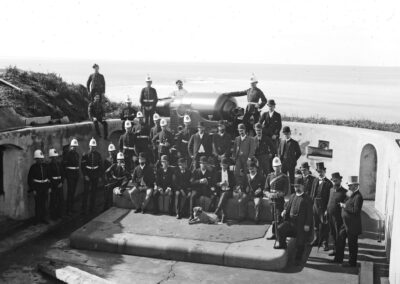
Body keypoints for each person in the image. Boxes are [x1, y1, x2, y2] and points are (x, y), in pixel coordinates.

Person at [275, 174, 313, 266]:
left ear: (303, 187)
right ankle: (282, 244)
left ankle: (298, 259)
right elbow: (287, 206)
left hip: (301, 224)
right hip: (291, 223)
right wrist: (284, 211)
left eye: (298, 186)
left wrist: (307, 224)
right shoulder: (292, 196)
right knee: (280, 228)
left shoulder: (307, 198)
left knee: (300, 242)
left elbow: (309, 214)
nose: (296, 188)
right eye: (295, 186)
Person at [335, 176, 364, 267]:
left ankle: (352, 263)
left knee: (352, 245)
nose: (348, 187)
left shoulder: (358, 197)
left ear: (355, 186)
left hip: (352, 225)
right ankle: (338, 259)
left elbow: (356, 211)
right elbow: (344, 199)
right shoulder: (350, 193)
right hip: (345, 223)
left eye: (350, 185)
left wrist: (344, 206)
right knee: (340, 240)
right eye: (348, 185)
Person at [265, 157, 290, 240]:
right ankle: (274, 233)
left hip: (279, 200)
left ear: (281, 166)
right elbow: (265, 189)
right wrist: (268, 194)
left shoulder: (284, 177)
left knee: (279, 218)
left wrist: (278, 194)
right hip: (271, 200)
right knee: (273, 218)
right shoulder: (269, 176)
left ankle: (280, 235)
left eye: (278, 166)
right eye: (275, 167)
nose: (277, 168)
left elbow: (285, 191)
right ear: (273, 167)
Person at [310, 162, 333, 250]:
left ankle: (324, 242)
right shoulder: (315, 180)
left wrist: (327, 209)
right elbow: (312, 193)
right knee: (315, 223)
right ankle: (316, 239)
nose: (320, 173)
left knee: (324, 224)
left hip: (323, 206)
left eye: (321, 171)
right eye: (318, 171)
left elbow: (330, 198)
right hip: (315, 204)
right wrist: (311, 205)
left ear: (325, 171)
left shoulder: (329, 183)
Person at [327, 172, 347, 258]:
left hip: (339, 218)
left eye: (336, 180)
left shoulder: (346, 192)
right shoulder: (331, 190)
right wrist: (326, 211)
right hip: (330, 216)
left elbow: (347, 204)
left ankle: (339, 255)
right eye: (333, 181)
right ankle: (335, 250)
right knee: (333, 234)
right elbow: (329, 202)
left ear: (340, 180)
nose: (335, 182)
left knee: (339, 236)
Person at [81, 138, 103, 214]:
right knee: (86, 192)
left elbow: (100, 166)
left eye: (94, 146)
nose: (93, 148)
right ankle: (84, 208)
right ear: (89, 146)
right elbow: (82, 166)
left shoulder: (98, 155)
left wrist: (99, 176)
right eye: (91, 146)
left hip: (95, 174)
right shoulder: (85, 155)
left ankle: (92, 208)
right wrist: (85, 175)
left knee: (94, 192)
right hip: (88, 174)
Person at [28, 150, 50, 224]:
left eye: (41, 159)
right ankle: (37, 219)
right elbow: (30, 179)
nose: (41, 160)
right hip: (37, 188)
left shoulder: (45, 166)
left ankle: (43, 218)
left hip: (44, 187)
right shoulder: (33, 167)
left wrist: (49, 187)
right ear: (36, 159)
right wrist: (33, 189)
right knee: (38, 204)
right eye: (39, 159)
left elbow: (48, 177)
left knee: (44, 204)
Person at [189, 156, 215, 221]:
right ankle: (191, 215)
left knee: (214, 196)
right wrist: (199, 181)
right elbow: (192, 182)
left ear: (207, 164)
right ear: (200, 164)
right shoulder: (195, 171)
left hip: (206, 189)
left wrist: (207, 182)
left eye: (205, 163)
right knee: (192, 196)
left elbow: (212, 183)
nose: (203, 165)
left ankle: (210, 215)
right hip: (197, 189)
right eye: (202, 163)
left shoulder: (210, 172)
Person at [278, 126, 301, 193]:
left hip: (291, 164)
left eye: (287, 133)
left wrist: (294, 160)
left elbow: (299, 153)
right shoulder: (282, 142)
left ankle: (292, 192)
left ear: (290, 133)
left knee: (291, 179)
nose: (286, 135)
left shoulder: (294, 143)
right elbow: (279, 151)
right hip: (283, 163)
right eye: (285, 134)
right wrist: (280, 160)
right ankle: (284, 191)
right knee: (283, 178)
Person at [213, 158, 235, 223]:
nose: (224, 167)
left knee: (224, 194)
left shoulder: (230, 173)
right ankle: (224, 216)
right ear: (220, 165)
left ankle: (217, 211)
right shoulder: (218, 173)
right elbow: (214, 183)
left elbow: (234, 183)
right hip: (221, 190)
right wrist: (220, 184)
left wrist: (228, 184)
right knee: (223, 196)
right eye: (223, 165)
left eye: (225, 165)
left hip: (229, 191)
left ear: (227, 165)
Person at [63, 138, 80, 216]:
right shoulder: (68, 154)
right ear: (71, 146)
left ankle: (71, 208)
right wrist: (67, 176)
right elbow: (65, 166)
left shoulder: (77, 154)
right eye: (73, 146)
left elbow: (77, 165)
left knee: (73, 192)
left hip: (75, 174)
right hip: (70, 175)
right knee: (70, 192)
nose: (74, 148)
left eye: (75, 146)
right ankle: (68, 210)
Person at [48, 148, 65, 221]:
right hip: (53, 185)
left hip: (60, 184)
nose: (55, 158)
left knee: (60, 200)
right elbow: (49, 177)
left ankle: (59, 214)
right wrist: (55, 184)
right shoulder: (49, 166)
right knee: (53, 201)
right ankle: (53, 216)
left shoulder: (59, 164)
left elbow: (62, 174)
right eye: (53, 157)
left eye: (56, 157)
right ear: (51, 158)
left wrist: (61, 182)